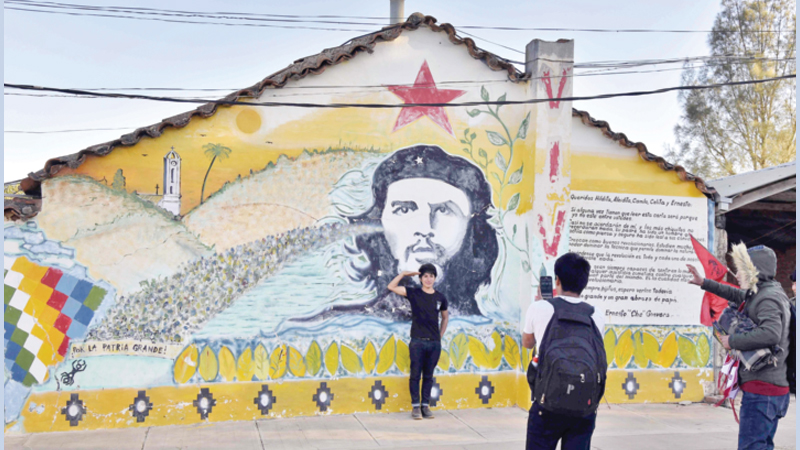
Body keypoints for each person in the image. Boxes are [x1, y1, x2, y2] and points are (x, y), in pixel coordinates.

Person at [299, 144, 498, 321]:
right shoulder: (337, 326)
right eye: (404, 210)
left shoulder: (491, 334)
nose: (424, 229)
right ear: (377, 226)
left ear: (474, 230)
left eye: (444, 210)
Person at [686, 243, 791, 450]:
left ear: (755, 271)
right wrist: (703, 282)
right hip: (769, 389)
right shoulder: (765, 292)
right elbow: (735, 295)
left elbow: (771, 333)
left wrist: (732, 341)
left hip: (763, 390)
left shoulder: (767, 298)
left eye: (742, 269)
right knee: (761, 445)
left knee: (752, 446)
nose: (737, 274)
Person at [521, 253, 606, 450]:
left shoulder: (540, 307)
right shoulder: (596, 314)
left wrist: (540, 305)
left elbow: (527, 343)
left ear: (557, 280)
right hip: (584, 407)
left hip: (547, 403)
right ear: (584, 282)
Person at [387, 263, 449, 420]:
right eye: (425, 276)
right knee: (415, 375)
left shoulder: (440, 297)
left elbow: (445, 317)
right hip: (417, 342)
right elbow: (391, 286)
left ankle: (425, 406)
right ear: (420, 278)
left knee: (428, 376)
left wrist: (440, 335)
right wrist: (403, 274)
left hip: (434, 343)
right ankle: (415, 407)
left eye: (431, 276)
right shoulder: (413, 293)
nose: (428, 279)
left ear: (435, 278)